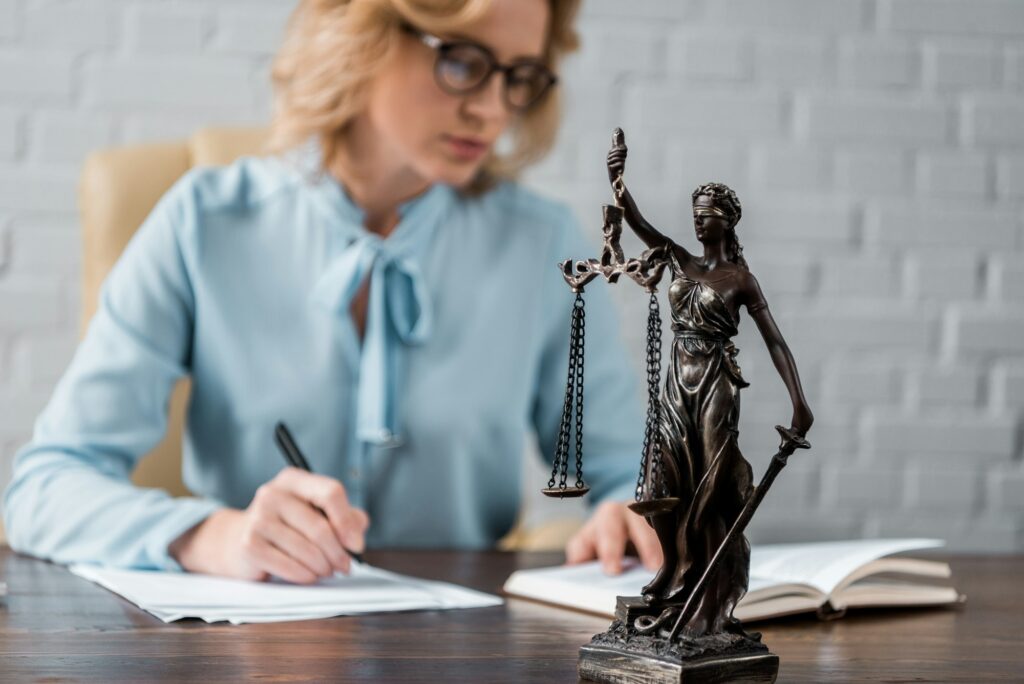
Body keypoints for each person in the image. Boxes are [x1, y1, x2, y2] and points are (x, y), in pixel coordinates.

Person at [3, 0, 662, 584]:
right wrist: (215, 535)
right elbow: (42, 489)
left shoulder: (542, 244)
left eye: (518, 76)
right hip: (248, 648)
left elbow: (637, 484)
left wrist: (633, 517)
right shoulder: (203, 224)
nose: (492, 109)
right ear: (360, 34)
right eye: (463, 62)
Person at [607, 144, 814, 635]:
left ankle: (707, 594)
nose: (698, 225)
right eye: (694, 217)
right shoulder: (678, 260)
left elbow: (776, 343)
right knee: (668, 482)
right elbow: (639, 225)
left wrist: (798, 402)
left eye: (707, 217)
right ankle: (673, 576)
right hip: (677, 380)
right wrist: (618, 183)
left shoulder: (741, 279)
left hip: (718, 382)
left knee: (710, 485)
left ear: (727, 221)